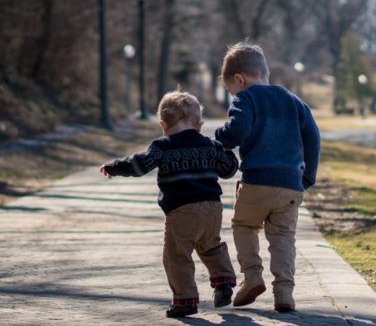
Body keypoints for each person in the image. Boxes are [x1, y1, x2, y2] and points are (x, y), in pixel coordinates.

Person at [99, 91, 239, 318]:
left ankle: (185, 300)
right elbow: (228, 170)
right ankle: (223, 282)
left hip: (182, 210)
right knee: (211, 245)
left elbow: (139, 165)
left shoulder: (162, 146)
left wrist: (114, 167)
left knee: (177, 255)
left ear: (163, 124)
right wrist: (228, 152)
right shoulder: (209, 145)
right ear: (199, 124)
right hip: (213, 208)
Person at [215, 42, 320, 312]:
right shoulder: (294, 101)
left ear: (240, 79)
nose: (232, 94)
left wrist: (220, 136)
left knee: (244, 226)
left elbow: (236, 131)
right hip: (290, 185)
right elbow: (313, 137)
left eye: (230, 90)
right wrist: (307, 176)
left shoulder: (245, 98)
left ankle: (252, 277)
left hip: (257, 180)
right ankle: (284, 292)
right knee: (283, 237)